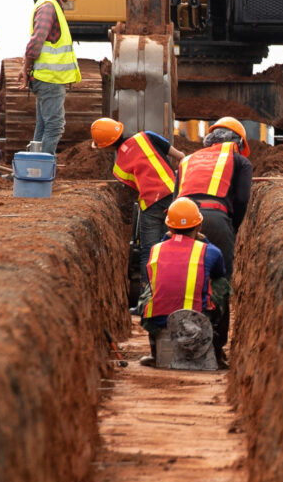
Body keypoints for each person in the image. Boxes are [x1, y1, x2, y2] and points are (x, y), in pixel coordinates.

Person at [88, 117, 184, 305]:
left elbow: (137, 188)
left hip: (150, 204)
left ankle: (147, 299)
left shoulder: (118, 169)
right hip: (175, 196)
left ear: (106, 146)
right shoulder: (146, 136)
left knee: (149, 250)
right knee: (182, 242)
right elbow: (180, 156)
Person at [143, 197, 229, 371]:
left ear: (169, 227)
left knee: (148, 290)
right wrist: (204, 241)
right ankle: (217, 352)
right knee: (223, 285)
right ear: (199, 226)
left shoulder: (156, 250)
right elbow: (220, 274)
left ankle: (155, 350)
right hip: (197, 319)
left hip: (161, 321)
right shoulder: (210, 251)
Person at [173, 116, 252, 273]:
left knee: (180, 273)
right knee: (220, 278)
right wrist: (232, 227)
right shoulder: (241, 161)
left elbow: (175, 201)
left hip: (183, 223)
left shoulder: (187, 160)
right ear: (240, 143)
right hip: (216, 221)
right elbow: (242, 199)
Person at [23, 0, 82, 153]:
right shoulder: (49, 6)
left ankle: (34, 170)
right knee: (54, 126)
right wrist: (25, 68)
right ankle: (42, 171)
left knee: (43, 127)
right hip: (49, 79)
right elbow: (36, 41)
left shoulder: (48, 4)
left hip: (46, 78)